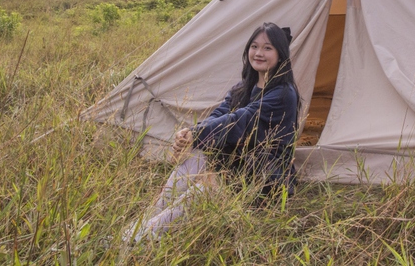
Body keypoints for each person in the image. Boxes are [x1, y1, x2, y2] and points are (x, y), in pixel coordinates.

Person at [124, 23, 300, 242]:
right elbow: (221, 113)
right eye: (254, 46)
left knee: (204, 188)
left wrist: (196, 133)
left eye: (267, 48)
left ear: (280, 54)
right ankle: (146, 223)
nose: (258, 53)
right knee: (194, 157)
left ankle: (139, 238)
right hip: (238, 161)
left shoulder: (284, 93)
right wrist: (190, 135)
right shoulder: (246, 85)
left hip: (264, 173)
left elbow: (240, 119)